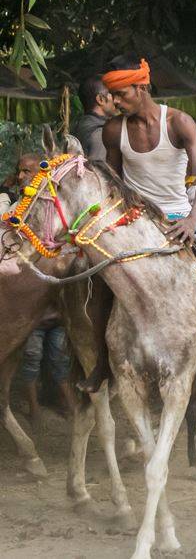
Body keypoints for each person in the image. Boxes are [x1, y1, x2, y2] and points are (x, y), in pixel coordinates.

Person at [78, 55, 196, 393]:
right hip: (137, 220)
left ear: (142, 86)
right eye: (112, 96)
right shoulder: (113, 131)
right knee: (100, 282)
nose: (116, 102)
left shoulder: (179, 123)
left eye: (121, 94)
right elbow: (114, 181)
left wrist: (193, 220)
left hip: (180, 218)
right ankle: (102, 363)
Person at [13, 154, 75, 427]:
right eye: (19, 172)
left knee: (60, 357)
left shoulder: (60, 212)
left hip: (57, 304)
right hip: (29, 305)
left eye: (27, 171)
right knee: (31, 358)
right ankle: (34, 408)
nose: (20, 177)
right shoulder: (15, 212)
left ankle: (68, 404)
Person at [72, 75, 117, 160]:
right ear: (101, 99)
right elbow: (99, 170)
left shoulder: (79, 124)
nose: (118, 99)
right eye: (114, 94)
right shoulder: (101, 133)